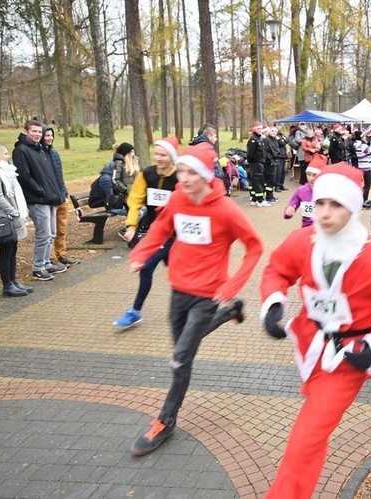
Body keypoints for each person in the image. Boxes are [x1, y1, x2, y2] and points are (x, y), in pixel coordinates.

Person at [260, 162, 371, 498]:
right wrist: (273, 302)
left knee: (304, 439)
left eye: (336, 205)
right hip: (311, 344)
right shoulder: (304, 240)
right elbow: (277, 268)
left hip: (346, 360)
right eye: (321, 203)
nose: (325, 213)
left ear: (354, 208)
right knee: (314, 436)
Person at [127, 142, 263, 456]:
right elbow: (161, 228)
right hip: (178, 289)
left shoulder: (227, 210)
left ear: (205, 175)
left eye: (190, 172)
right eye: (181, 171)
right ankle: (230, 313)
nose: (183, 178)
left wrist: (232, 286)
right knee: (183, 351)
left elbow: (254, 246)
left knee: (180, 358)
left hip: (208, 293)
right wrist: (141, 253)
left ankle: (165, 422)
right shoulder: (178, 199)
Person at [113, 136, 180, 328]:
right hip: (156, 235)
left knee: (168, 272)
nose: (158, 158)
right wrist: (132, 225)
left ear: (172, 157)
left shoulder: (180, 177)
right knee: (152, 269)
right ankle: (135, 312)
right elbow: (135, 200)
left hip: (177, 237)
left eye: (163, 155)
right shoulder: (147, 174)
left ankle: (191, 304)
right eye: (156, 154)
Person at [13, 119, 67, 281]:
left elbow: (49, 175)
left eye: (39, 132)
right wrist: (41, 191)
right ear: (27, 131)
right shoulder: (22, 150)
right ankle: (38, 267)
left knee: (51, 233)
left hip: (49, 198)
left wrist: (54, 192)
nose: (37, 135)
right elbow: (25, 177)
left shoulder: (40, 150)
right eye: (34, 132)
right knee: (43, 234)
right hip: (37, 199)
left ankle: (46, 263)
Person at [0, 142, 31, 297]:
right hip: (1, 217)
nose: (8, 156)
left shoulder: (6, 172)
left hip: (10, 216)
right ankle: (7, 284)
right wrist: (13, 212)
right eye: (5, 153)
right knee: (6, 250)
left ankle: (13, 281)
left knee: (12, 249)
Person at [42, 126, 80, 267]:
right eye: (47, 135)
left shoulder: (54, 153)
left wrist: (64, 192)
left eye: (51, 135)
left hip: (61, 195)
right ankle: (50, 257)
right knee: (50, 230)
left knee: (61, 228)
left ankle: (61, 254)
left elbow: (59, 175)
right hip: (49, 198)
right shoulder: (39, 154)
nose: (50, 138)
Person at [284, 155, 325, 227]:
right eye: (309, 174)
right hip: (306, 229)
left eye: (315, 175)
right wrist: (288, 211)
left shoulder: (330, 191)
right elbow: (290, 206)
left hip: (325, 231)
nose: (311, 178)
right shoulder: (301, 191)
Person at [246, 122, 269, 207]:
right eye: (258, 129)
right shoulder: (253, 140)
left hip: (260, 163)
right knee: (258, 181)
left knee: (258, 180)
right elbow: (250, 153)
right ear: (255, 129)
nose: (259, 130)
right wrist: (253, 162)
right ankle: (260, 200)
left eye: (260, 129)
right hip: (256, 163)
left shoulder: (259, 139)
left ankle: (255, 198)